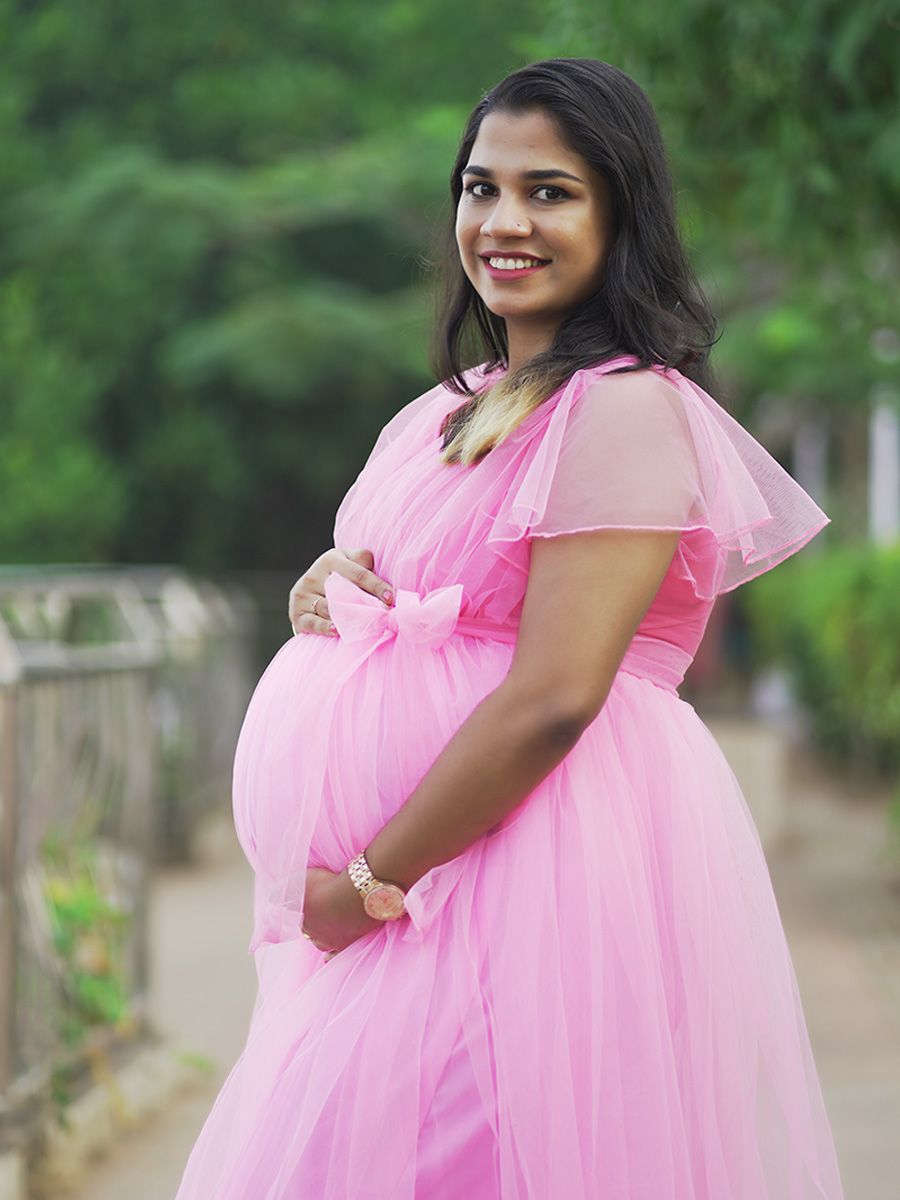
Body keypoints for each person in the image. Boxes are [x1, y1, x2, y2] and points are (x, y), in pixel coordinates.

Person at [175, 58, 846, 1199]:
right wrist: (329, 592)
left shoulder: (626, 407)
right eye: (482, 187)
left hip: (526, 875)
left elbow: (553, 696)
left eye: (551, 191)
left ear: (619, 213)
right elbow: (425, 585)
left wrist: (372, 880)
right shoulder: (457, 403)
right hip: (425, 893)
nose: (504, 221)